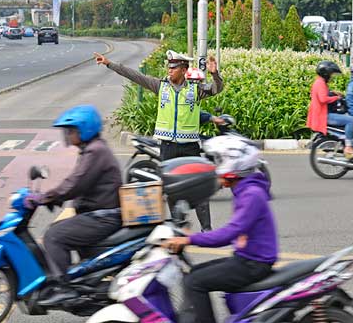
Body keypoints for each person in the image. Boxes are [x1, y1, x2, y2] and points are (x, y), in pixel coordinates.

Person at [162, 135, 277, 323]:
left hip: (253, 263)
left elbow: (228, 233)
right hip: (247, 258)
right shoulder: (246, 188)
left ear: (233, 164)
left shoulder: (250, 194)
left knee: (195, 281)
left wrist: (189, 239)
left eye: (219, 160)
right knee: (194, 273)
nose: (216, 166)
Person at [95, 50, 223, 231]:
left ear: (184, 69)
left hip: (190, 148)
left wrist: (215, 74)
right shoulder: (160, 86)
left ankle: (207, 229)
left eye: (174, 67)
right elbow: (135, 76)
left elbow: (217, 89)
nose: (169, 70)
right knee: (172, 189)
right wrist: (109, 64)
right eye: (169, 67)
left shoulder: (195, 90)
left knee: (199, 188)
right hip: (168, 147)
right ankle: (177, 226)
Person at [24, 105, 123, 306]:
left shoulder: (95, 152)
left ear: (84, 130)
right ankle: (80, 285)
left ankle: (63, 288)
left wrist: (46, 198)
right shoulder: (92, 150)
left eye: (71, 131)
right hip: (99, 214)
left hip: (103, 216)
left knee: (54, 235)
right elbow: (78, 183)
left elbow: (75, 183)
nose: (68, 135)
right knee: (61, 231)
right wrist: (53, 198)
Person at [306, 60, 353, 158]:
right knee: (350, 120)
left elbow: (323, 93)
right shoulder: (320, 83)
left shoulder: (319, 82)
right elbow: (323, 99)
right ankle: (348, 147)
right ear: (326, 74)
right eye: (331, 74)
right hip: (324, 115)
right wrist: (336, 98)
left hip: (322, 113)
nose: (331, 77)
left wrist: (334, 92)